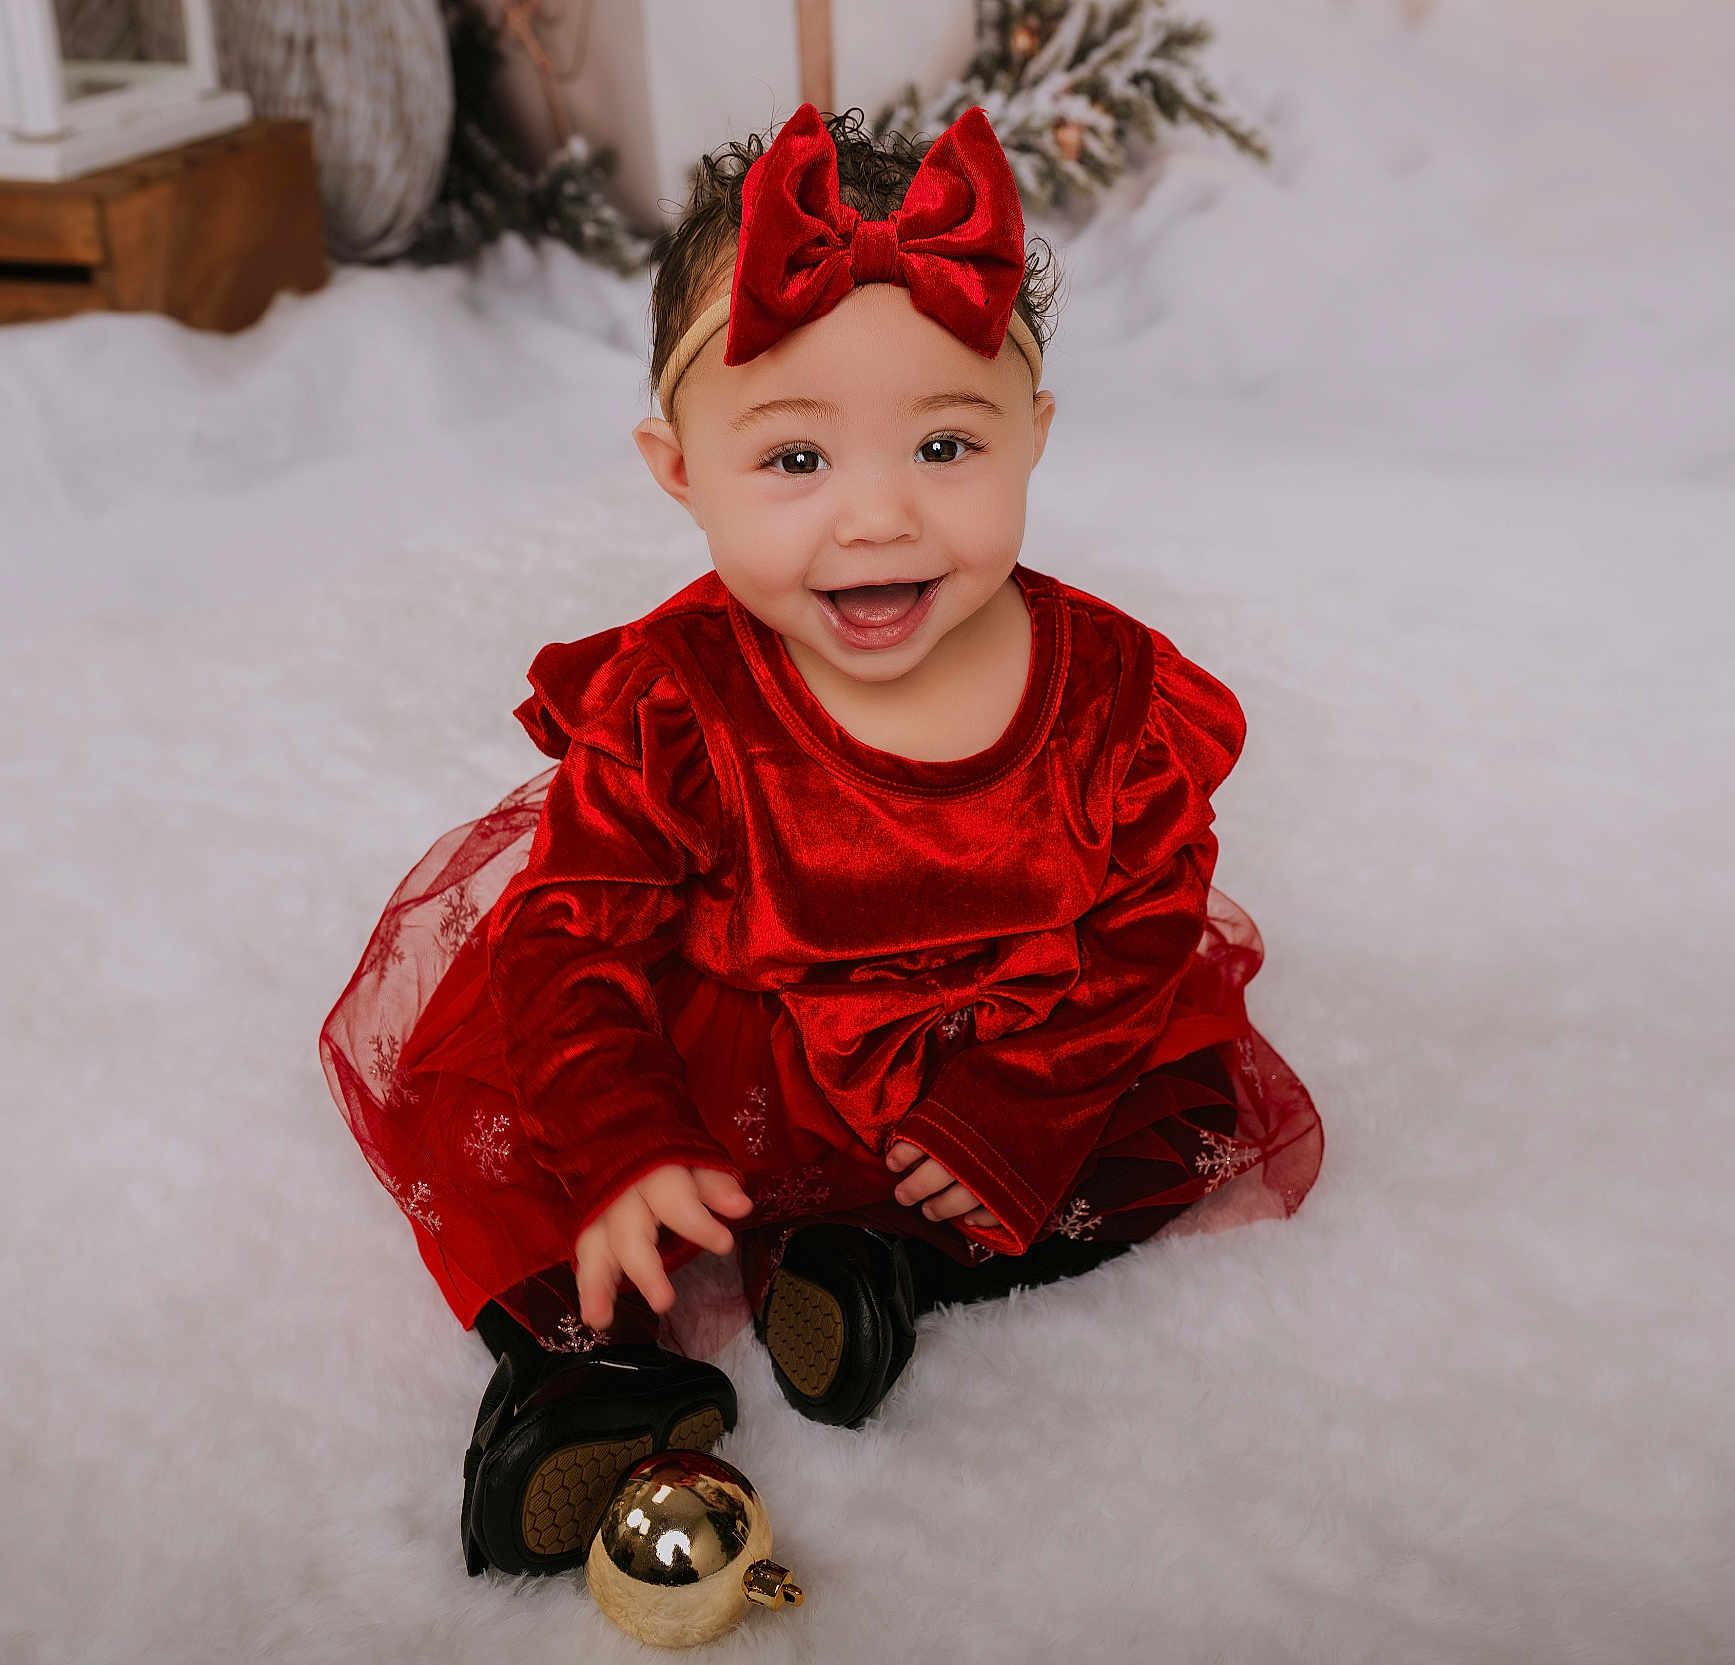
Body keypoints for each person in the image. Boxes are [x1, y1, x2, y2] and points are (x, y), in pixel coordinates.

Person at [320, 103, 1323, 1580]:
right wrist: (625, 1138)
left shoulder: (1113, 694)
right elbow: (576, 932)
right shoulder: (680, 703)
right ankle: (578, 1369)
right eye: (793, 460)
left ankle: (880, 1266)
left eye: (942, 442)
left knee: (1163, 1121)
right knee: (542, 1137)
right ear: (680, 470)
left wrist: (1017, 1110)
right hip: (734, 1046)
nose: (876, 516)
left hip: (997, 1037)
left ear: (1034, 435)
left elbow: (1143, 918)